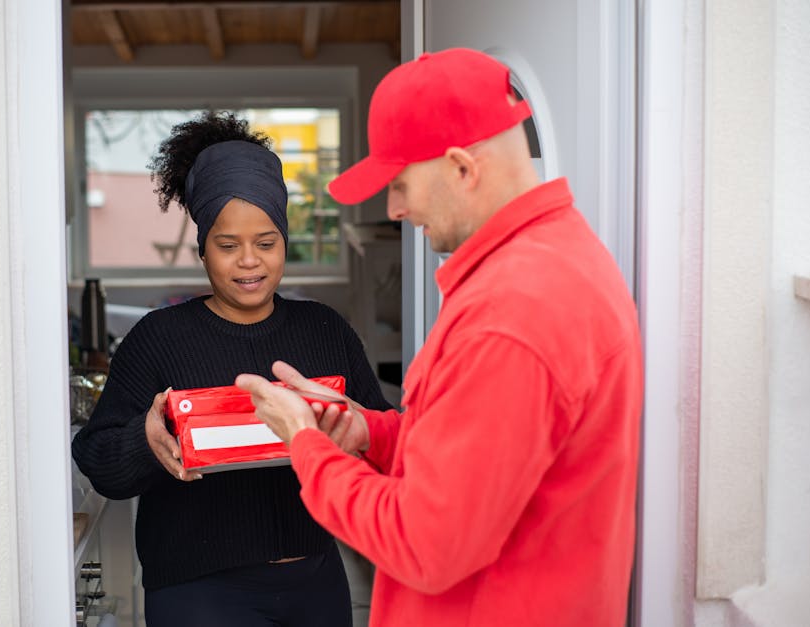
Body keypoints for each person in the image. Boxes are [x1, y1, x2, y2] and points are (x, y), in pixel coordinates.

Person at [235, 48, 644, 627]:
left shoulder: (514, 312)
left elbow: (423, 544)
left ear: (461, 167)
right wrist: (367, 431)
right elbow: (482, 463)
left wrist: (306, 443)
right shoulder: (552, 260)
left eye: (399, 183)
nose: (395, 208)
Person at [71, 110, 391, 627]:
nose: (249, 261)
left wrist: (352, 432)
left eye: (266, 243)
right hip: (198, 593)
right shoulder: (158, 337)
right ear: (202, 250)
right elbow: (98, 460)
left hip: (316, 582)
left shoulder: (325, 330)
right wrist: (145, 439)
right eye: (227, 246)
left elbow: (384, 441)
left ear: (285, 240)